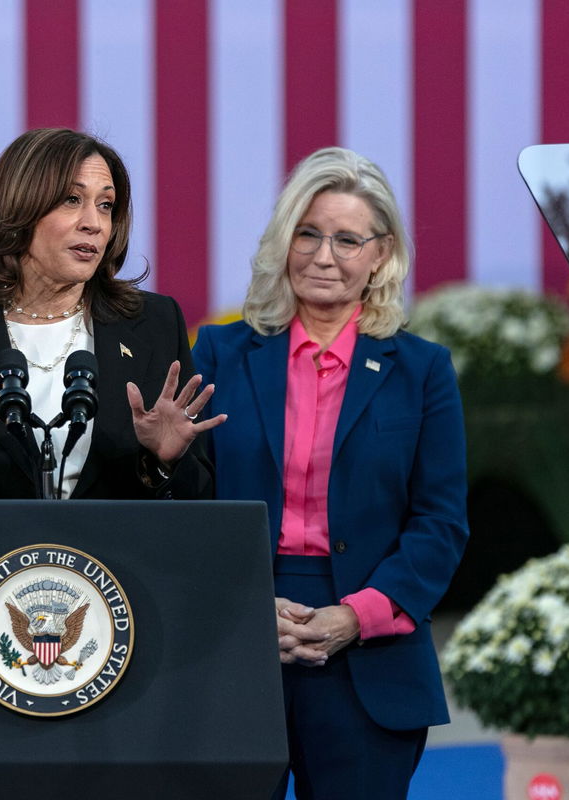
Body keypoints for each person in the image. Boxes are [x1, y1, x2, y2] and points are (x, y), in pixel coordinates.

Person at [191, 147, 468, 800]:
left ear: (381, 254)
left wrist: (356, 616)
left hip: (368, 647)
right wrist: (249, 604)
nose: (323, 255)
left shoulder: (421, 370)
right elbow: (186, 504)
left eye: (347, 239)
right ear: (284, 243)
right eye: (308, 233)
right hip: (234, 632)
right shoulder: (219, 352)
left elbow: (441, 522)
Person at [0, 128, 225, 501]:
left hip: (114, 558)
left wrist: (166, 461)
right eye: (72, 200)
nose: (94, 222)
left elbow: (199, 503)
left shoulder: (154, 324)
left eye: (106, 205)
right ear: (19, 210)